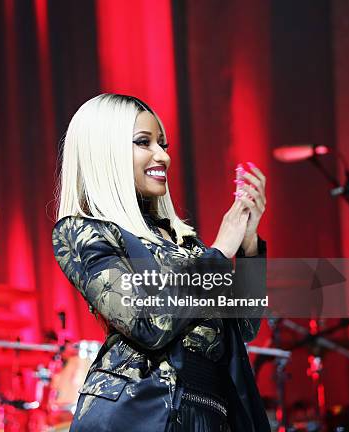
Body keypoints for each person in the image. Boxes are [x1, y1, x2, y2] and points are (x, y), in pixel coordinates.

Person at [52, 94, 269, 431]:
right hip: (139, 412)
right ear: (104, 152)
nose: (163, 156)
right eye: (144, 142)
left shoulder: (184, 243)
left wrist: (249, 246)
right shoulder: (83, 232)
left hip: (209, 412)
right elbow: (148, 322)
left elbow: (243, 327)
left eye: (163, 144)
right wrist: (219, 252)